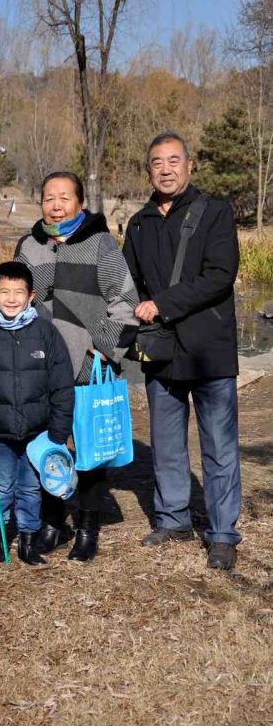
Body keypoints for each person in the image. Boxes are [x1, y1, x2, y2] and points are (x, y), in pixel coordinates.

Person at [0, 171, 138, 561]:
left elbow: (125, 300)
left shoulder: (100, 245)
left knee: (88, 449)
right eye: (48, 197)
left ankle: (87, 527)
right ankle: (51, 521)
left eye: (65, 197)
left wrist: (104, 346)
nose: (56, 204)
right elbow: (13, 296)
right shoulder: (30, 245)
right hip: (38, 368)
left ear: (80, 203)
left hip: (86, 367)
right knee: (44, 447)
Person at [122, 131, 241, 571]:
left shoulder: (214, 211)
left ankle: (223, 532)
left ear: (189, 166)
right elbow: (128, 283)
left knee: (219, 445)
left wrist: (162, 305)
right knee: (167, 442)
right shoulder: (138, 223)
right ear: (148, 170)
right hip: (162, 349)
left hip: (209, 347)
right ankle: (173, 518)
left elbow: (219, 275)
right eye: (157, 162)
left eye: (174, 160)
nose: (166, 168)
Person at [0, 262, 74, 568]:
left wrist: (59, 430)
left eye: (19, 292)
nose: (11, 299)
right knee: (0, 486)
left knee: (30, 486)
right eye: (4, 292)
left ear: (32, 296)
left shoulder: (45, 333)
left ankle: (27, 538)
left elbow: (62, 384)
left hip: (37, 433)